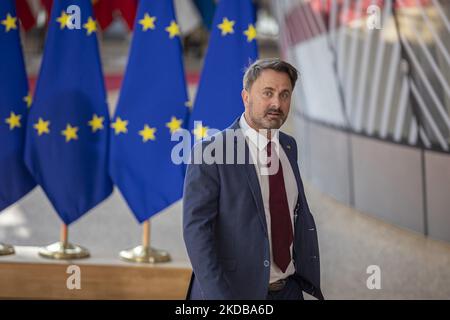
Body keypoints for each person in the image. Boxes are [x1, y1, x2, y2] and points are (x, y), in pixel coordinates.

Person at [183, 58, 323, 300]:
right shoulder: (212, 152)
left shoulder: (288, 147)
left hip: (288, 289)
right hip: (234, 293)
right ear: (246, 97)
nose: (276, 103)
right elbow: (197, 232)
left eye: (285, 95)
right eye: (267, 93)